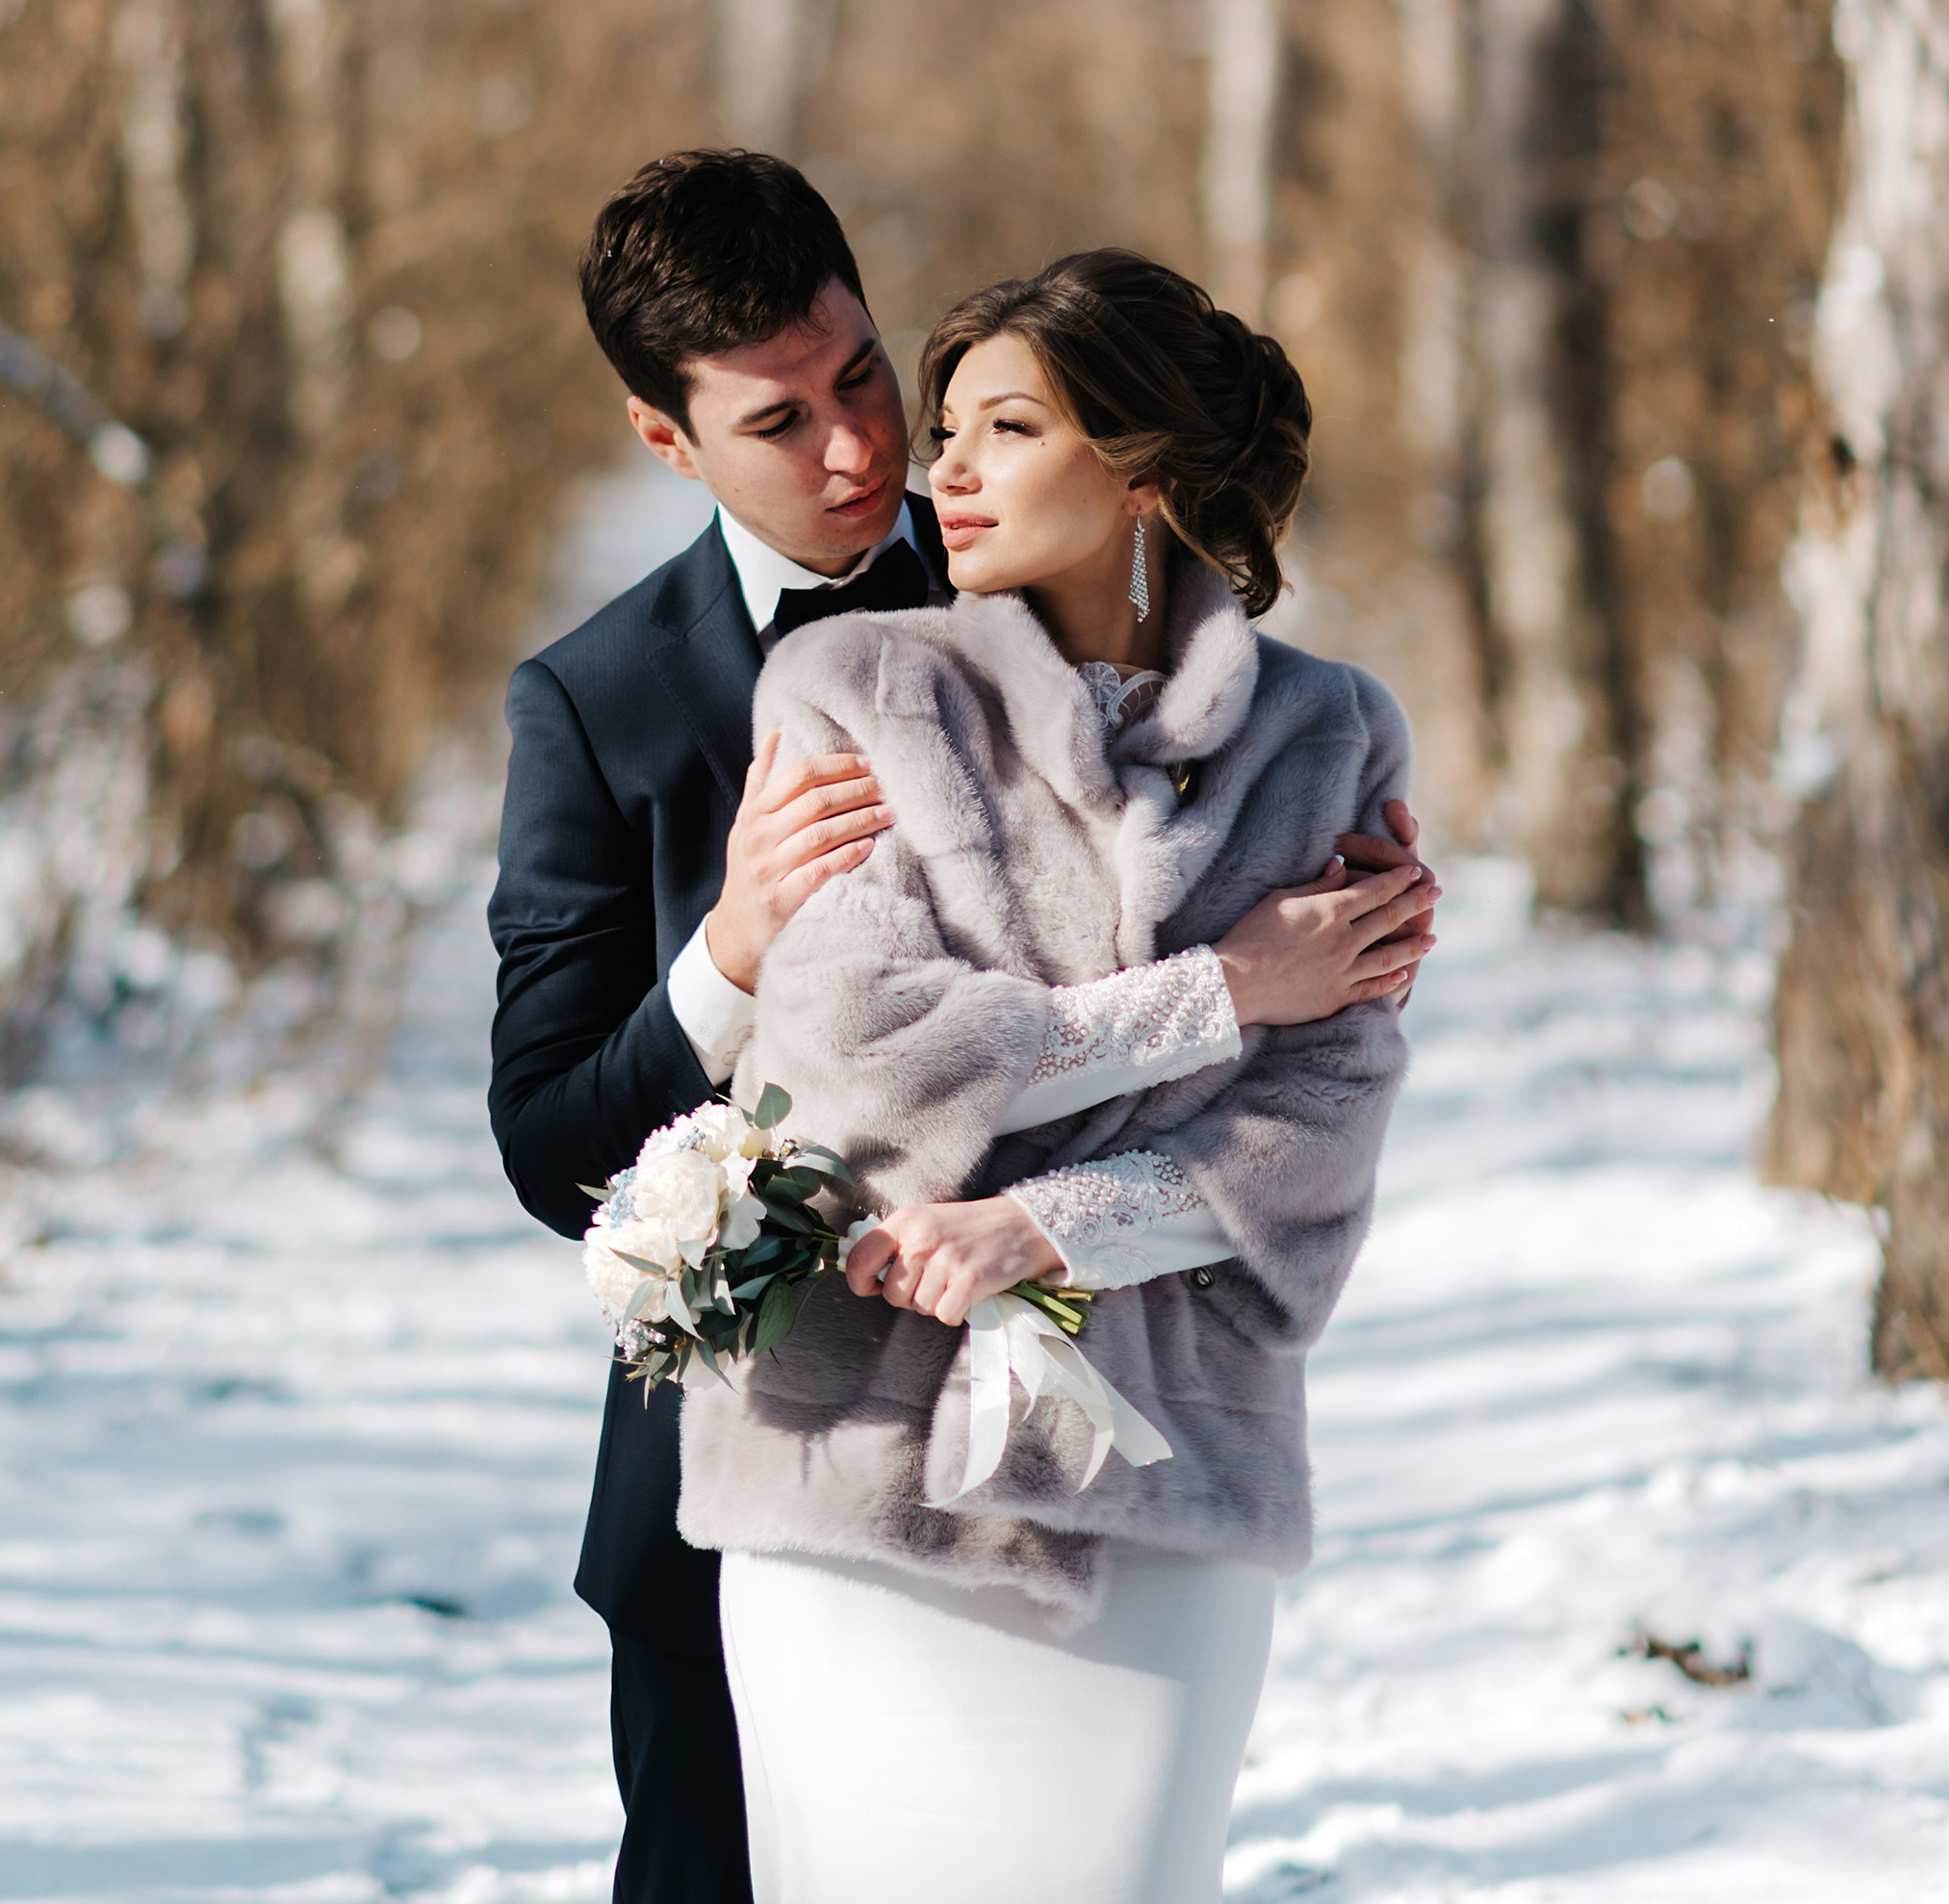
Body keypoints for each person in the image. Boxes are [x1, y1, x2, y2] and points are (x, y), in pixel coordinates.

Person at [489, 161, 1432, 1904]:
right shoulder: (604, 704)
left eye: (869, 381)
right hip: (799, 1428)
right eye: (784, 420)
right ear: (667, 441)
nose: (872, 458)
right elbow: (554, 1143)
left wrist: (1328, 956)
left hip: (1145, 1440)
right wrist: (727, 952)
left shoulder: (1052, 556)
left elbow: (1322, 1083)